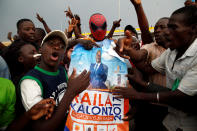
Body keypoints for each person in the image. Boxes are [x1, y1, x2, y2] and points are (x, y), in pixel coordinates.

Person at [113, 5, 197, 131]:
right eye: (167, 27)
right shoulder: (171, 52)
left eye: (173, 27)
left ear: (193, 29)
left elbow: (179, 97)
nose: (167, 32)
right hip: (172, 121)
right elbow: (147, 68)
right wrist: (128, 50)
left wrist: (138, 95)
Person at [20, 30, 90, 131]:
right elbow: (41, 127)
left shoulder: (61, 71)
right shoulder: (30, 81)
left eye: (62, 46)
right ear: (41, 49)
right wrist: (71, 92)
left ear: (64, 53)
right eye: (51, 44)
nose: (57, 47)